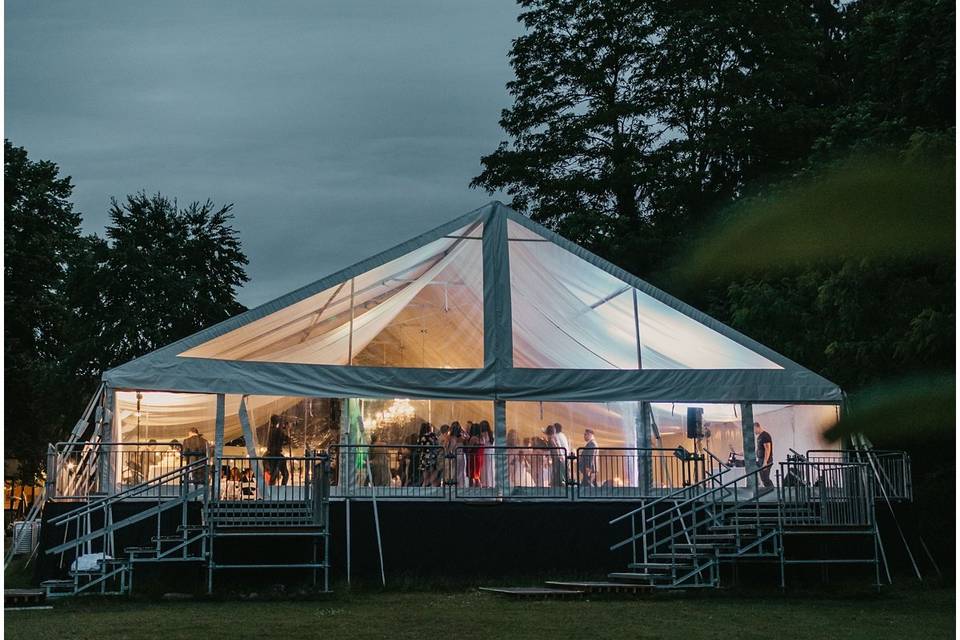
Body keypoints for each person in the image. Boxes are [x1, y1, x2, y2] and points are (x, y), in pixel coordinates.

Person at [266, 414, 290, 486]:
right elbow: (288, 441)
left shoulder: (270, 431)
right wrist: (287, 430)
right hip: (276, 455)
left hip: (271, 454)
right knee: (285, 474)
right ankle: (282, 489)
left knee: (274, 474)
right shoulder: (278, 431)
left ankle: (272, 488)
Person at [417, 422, 441, 487]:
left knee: (425, 477)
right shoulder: (433, 435)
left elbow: (418, 448)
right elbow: (437, 444)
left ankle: (424, 487)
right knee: (433, 472)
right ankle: (430, 485)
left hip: (424, 458)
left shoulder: (421, 437)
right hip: (432, 457)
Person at [754, 422, 774, 489]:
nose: (754, 432)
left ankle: (773, 491)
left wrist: (765, 462)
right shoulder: (759, 437)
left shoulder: (765, 435)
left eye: (754, 429)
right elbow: (759, 450)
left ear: (757, 427)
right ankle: (770, 490)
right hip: (760, 460)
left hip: (766, 460)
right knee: (764, 479)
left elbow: (767, 449)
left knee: (765, 479)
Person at [480, 420, 495, 488]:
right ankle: (491, 483)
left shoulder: (483, 434)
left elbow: (482, 442)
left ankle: (485, 483)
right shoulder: (491, 433)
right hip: (491, 454)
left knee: (485, 469)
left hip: (485, 454)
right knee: (490, 469)